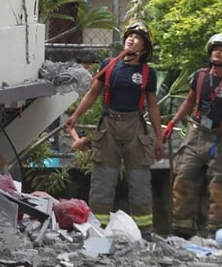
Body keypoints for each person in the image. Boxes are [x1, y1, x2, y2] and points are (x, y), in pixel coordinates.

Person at [63, 21, 165, 237]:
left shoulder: (147, 73)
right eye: (130, 35)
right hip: (109, 127)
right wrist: (75, 116)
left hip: (135, 130)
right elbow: (92, 93)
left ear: (144, 49)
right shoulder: (109, 65)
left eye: (138, 38)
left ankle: (144, 232)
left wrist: (159, 136)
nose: (131, 39)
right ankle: (97, 230)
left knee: (139, 182)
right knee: (103, 180)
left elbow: (153, 106)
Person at [162, 33, 222, 238]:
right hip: (195, 133)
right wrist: (173, 122)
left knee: (218, 185)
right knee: (183, 178)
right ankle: (182, 229)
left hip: (221, 136)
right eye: (215, 49)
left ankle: (216, 231)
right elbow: (190, 101)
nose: (217, 52)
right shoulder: (200, 76)